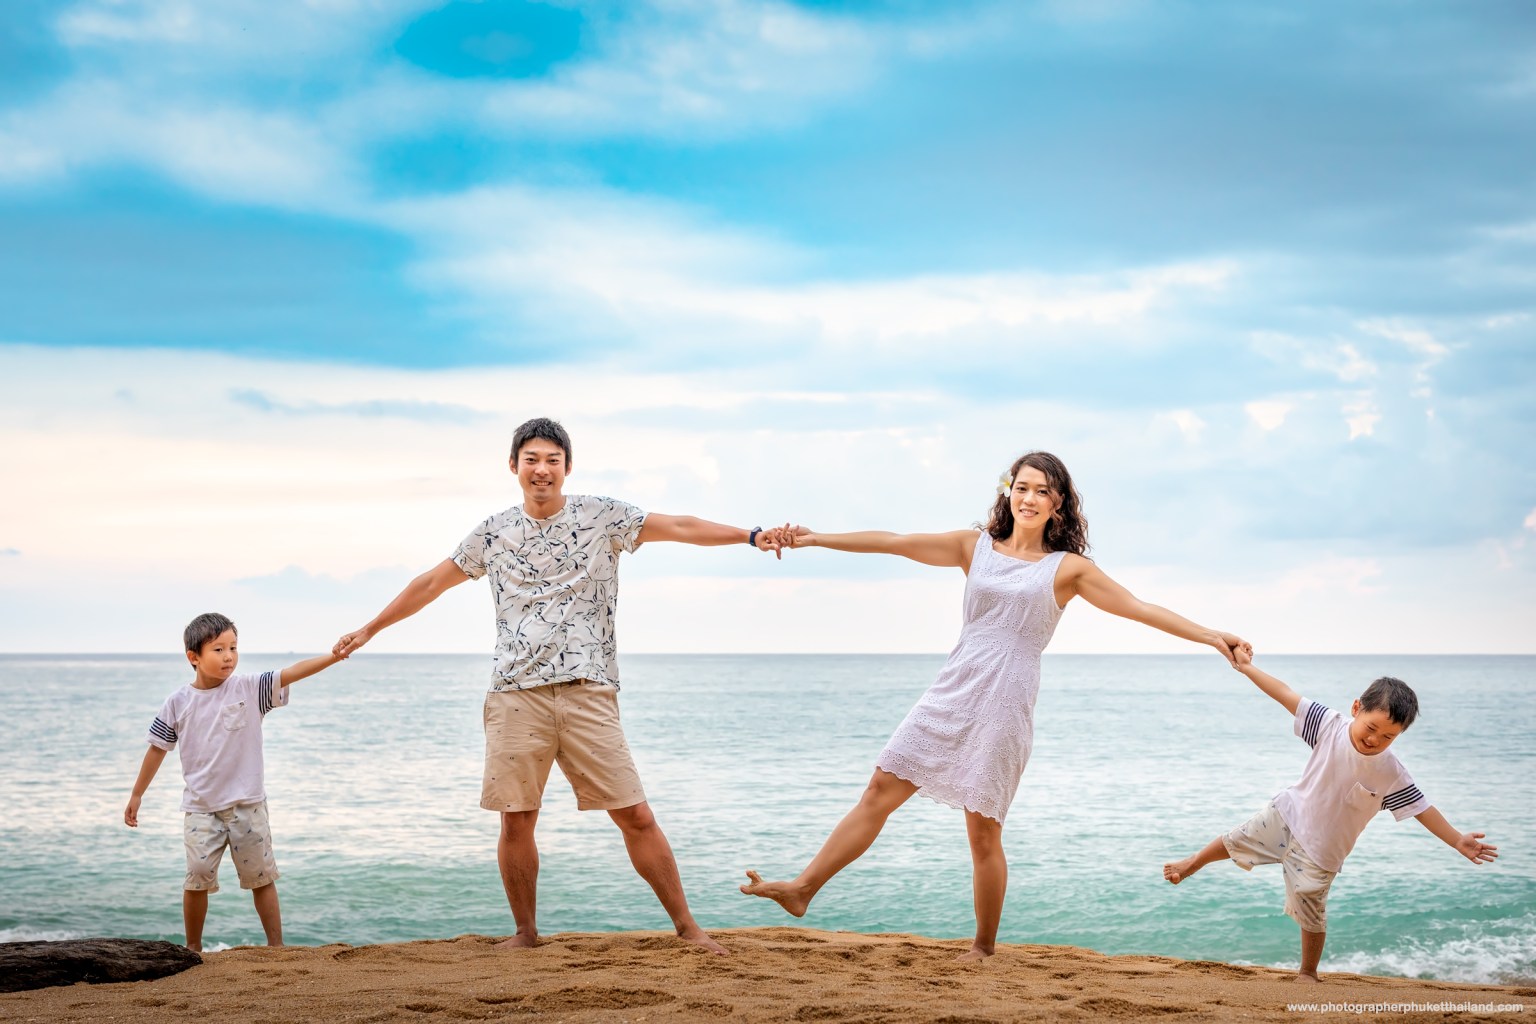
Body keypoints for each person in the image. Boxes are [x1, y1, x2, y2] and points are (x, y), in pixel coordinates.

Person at [740, 451, 1247, 960]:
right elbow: (894, 543)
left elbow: (1139, 608)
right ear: (1009, 491)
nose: (1030, 498)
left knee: (982, 831)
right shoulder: (973, 546)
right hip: (952, 688)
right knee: (879, 788)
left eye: (1043, 491)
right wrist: (816, 536)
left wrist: (1211, 636)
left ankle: (983, 948)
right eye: (1022, 487)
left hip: (1006, 702)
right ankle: (803, 888)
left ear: (1060, 505)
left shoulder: (1068, 569)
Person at [332, 416, 782, 955]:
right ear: (514, 467)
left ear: (567, 468)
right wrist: (368, 629)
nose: (541, 470)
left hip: (587, 689)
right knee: (517, 819)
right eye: (531, 460)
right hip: (514, 692)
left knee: (635, 813)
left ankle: (688, 928)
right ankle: (526, 933)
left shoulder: (602, 516)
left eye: (552, 460)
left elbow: (680, 526)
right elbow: (431, 581)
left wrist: (751, 536)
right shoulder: (492, 532)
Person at [1162, 648, 1497, 983]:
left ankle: (1308, 971)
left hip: (1323, 850)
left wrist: (1456, 840)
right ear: (1356, 709)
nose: (1374, 739)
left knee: (1311, 907)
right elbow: (1284, 693)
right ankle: (1194, 862)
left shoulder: (1390, 772)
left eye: (1388, 737)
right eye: (1371, 727)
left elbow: (1422, 809)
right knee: (1238, 837)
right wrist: (1248, 668)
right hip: (1288, 815)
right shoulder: (1328, 725)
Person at [124, 612, 343, 952]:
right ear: (193, 657)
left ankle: (277, 947)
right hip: (201, 808)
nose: (228, 656)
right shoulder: (177, 702)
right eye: (218, 649)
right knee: (196, 877)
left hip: (248, 804)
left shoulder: (250, 688)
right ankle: (193, 948)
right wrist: (137, 795)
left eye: (233, 648)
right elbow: (157, 749)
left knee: (262, 877)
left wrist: (334, 656)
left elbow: (292, 672)